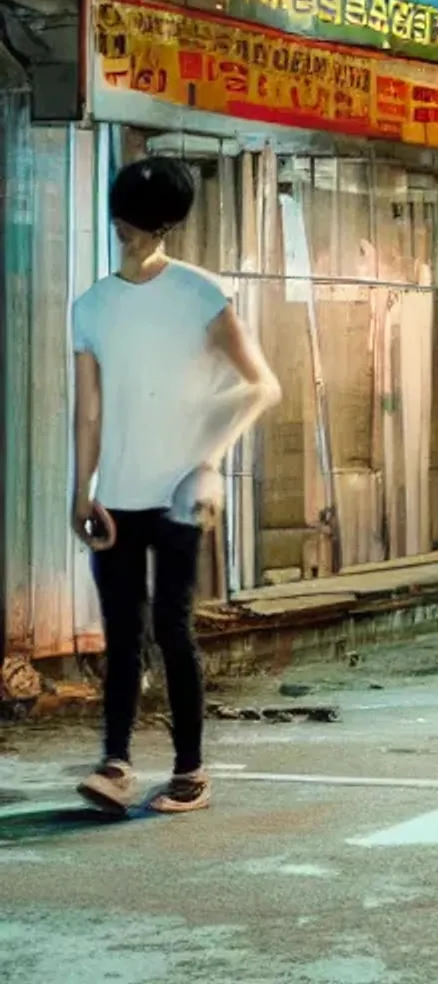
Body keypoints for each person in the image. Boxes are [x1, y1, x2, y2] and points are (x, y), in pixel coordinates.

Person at [72, 157, 281, 814]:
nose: (132, 234)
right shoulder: (92, 306)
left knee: (172, 626)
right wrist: (82, 490)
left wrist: (208, 461)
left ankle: (190, 768)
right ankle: (116, 763)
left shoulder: (200, 294)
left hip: (182, 493)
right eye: (127, 222)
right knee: (122, 630)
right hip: (118, 491)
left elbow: (261, 384)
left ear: (164, 225)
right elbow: (89, 410)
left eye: (143, 224)